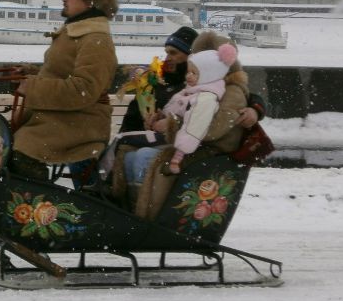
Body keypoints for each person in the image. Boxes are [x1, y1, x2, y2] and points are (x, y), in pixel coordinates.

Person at [110, 27, 264, 203]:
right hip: (174, 140)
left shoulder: (211, 86)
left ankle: (144, 208)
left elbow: (222, 115)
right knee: (127, 152)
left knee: (143, 155)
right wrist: (156, 121)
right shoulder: (176, 83)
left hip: (201, 148)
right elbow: (146, 115)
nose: (167, 59)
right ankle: (128, 204)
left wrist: (256, 108)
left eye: (174, 53)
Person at [9, 0, 118, 188]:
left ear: (90, 1)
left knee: (21, 149)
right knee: (12, 145)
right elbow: (62, 74)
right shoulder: (79, 33)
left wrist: (33, 87)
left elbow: (83, 89)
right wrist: (32, 74)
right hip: (65, 120)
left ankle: (35, 204)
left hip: (79, 125)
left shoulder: (95, 39)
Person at [160, 43, 239, 174]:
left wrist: (178, 155)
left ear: (209, 75)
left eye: (194, 73)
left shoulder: (205, 98)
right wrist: (163, 115)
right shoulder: (192, 90)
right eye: (188, 72)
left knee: (136, 152)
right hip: (170, 137)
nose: (188, 76)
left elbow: (195, 126)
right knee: (125, 142)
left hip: (181, 147)